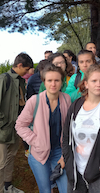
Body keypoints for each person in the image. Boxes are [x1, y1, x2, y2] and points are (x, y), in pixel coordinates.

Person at [61, 64, 100, 192]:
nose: (98, 84)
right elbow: (66, 137)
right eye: (94, 81)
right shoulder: (76, 106)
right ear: (86, 84)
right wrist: (69, 162)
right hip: (76, 170)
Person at [15, 64, 68, 193]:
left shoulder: (66, 99)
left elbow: (68, 127)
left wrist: (66, 151)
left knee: (66, 189)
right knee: (45, 189)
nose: (53, 84)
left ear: (62, 82)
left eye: (57, 80)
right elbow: (20, 125)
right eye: (49, 80)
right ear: (44, 81)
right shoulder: (35, 101)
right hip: (39, 154)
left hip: (59, 152)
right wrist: (35, 141)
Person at [0, 52, 33, 193]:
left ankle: (7, 186)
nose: (27, 72)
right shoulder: (3, 79)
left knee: (10, 158)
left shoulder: (19, 81)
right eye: (26, 69)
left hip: (14, 129)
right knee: (1, 162)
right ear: (19, 65)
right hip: (2, 130)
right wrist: (3, 123)